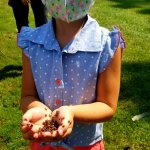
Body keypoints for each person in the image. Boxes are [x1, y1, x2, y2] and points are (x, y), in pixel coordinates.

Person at [18, 0, 126, 149]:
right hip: (43, 143)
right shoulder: (32, 42)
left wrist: (71, 112)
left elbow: (107, 105)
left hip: (86, 145)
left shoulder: (106, 44)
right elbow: (27, 96)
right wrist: (38, 110)